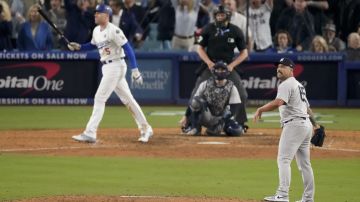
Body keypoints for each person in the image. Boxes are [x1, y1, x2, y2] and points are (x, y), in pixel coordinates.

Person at [68, 4, 153, 143]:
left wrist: (135, 69)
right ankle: (146, 128)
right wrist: (79, 47)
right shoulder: (96, 30)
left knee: (100, 98)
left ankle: (90, 132)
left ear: (106, 16)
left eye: (98, 13)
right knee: (128, 100)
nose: (95, 15)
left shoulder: (114, 30)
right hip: (107, 67)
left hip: (116, 65)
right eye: (95, 13)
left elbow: (128, 49)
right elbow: (93, 45)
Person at [254, 57, 318, 202]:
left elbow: (278, 102)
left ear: (291, 70)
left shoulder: (286, 84)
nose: (279, 68)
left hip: (294, 125)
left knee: (283, 159)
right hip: (305, 125)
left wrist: (261, 109)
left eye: (283, 66)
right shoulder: (298, 85)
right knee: (305, 165)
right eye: (278, 66)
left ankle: (282, 195)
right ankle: (308, 199)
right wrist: (316, 125)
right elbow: (307, 108)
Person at [180, 5, 249, 133]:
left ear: (227, 16)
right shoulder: (208, 28)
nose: (219, 17)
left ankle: (239, 123)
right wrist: (208, 62)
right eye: (217, 15)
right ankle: (190, 123)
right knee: (196, 92)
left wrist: (232, 65)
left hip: (228, 67)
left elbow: (244, 52)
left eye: (222, 15)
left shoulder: (236, 30)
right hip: (211, 66)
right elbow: (199, 48)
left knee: (242, 94)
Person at [184, 61, 244, 136]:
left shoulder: (232, 87)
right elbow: (194, 102)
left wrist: (221, 121)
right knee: (197, 101)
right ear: (213, 71)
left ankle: (217, 129)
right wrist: (186, 116)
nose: (220, 71)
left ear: (227, 72)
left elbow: (234, 109)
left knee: (235, 131)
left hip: (221, 117)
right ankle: (195, 128)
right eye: (217, 69)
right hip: (206, 116)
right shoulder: (205, 83)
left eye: (222, 69)